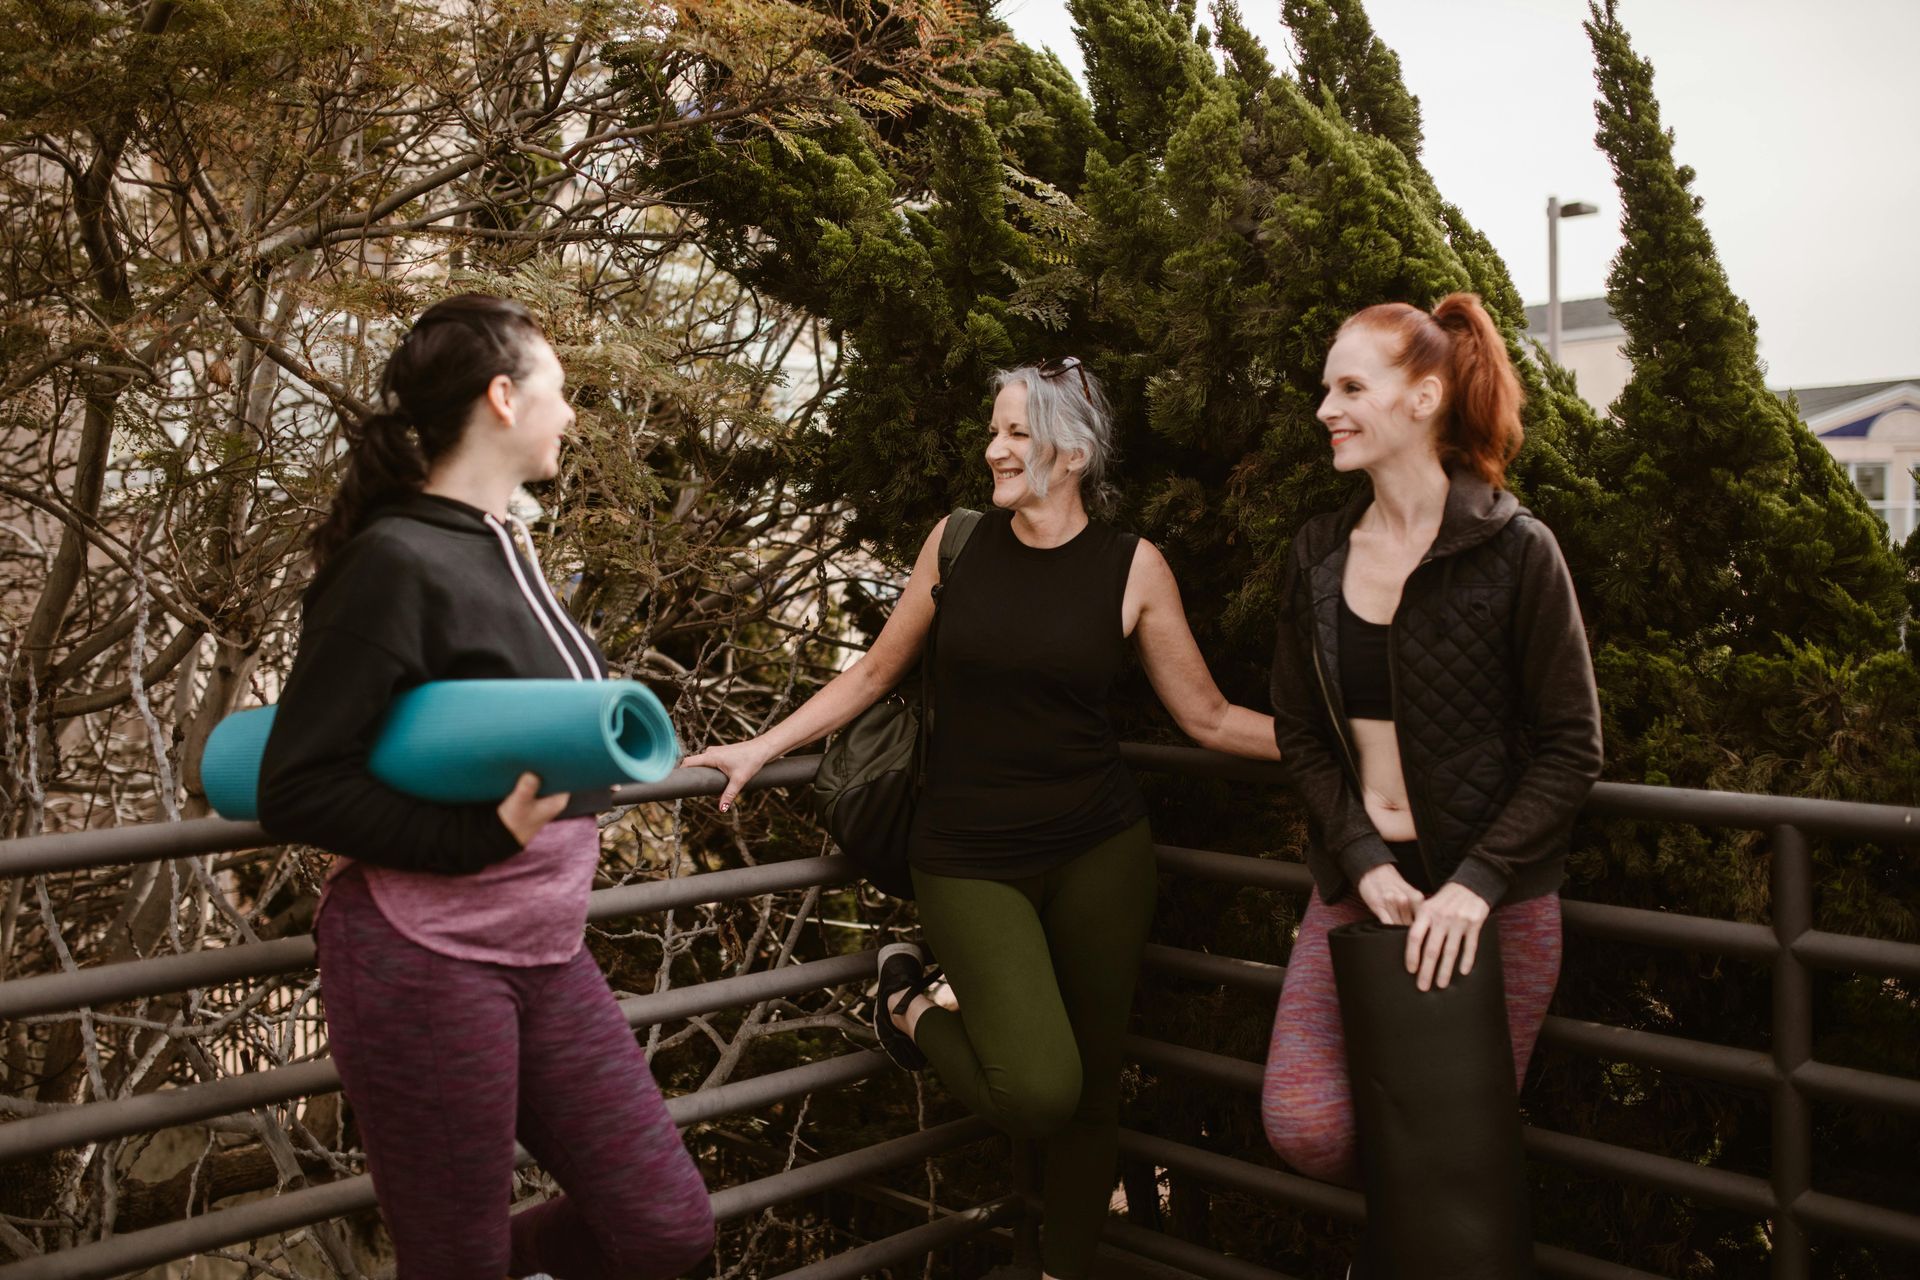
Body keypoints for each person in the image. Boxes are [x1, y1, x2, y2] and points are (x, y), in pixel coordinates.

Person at [684, 357, 1278, 1280]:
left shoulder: (1133, 567)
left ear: (1071, 452)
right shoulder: (957, 541)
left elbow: (1206, 717)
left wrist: (1333, 744)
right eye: (993, 431)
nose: (994, 449)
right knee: (1042, 1090)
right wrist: (762, 747)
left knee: (1091, 1094)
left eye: (1014, 433)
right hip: (966, 856)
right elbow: (876, 672)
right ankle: (906, 1001)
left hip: (1100, 852)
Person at [258, 294, 714, 1280]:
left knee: (665, 1226)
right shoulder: (393, 559)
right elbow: (296, 783)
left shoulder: (505, 543)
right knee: (456, 1256)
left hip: (544, 948)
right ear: (502, 397)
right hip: (424, 957)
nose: (573, 414)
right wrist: (474, 839)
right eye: (560, 390)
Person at [1261, 293, 1603, 1192]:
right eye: (1325, 388)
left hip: (1492, 909)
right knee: (1305, 1124)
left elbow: (1573, 745)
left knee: (1450, 1158)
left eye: (1349, 387)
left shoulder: (1518, 550)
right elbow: (1300, 730)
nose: (1325, 409)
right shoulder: (1318, 556)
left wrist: (1477, 885)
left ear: (1422, 398)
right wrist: (1363, 857)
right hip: (1362, 891)